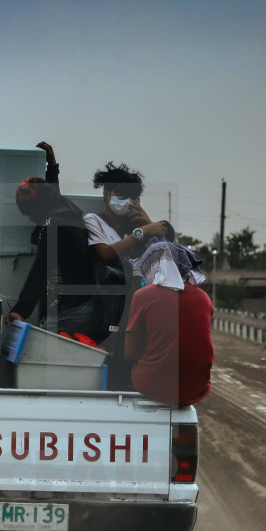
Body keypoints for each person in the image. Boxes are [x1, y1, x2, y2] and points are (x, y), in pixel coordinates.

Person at [81, 162, 173, 388]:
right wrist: (142, 233)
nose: (126, 202)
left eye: (131, 197)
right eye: (120, 195)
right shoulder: (94, 221)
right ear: (106, 194)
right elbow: (105, 254)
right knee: (110, 371)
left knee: (130, 372)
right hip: (105, 316)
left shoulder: (136, 232)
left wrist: (148, 225)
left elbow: (164, 266)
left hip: (134, 316)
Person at [5, 142, 105, 341]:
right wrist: (52, 166)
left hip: (73, 312)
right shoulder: (62, 212)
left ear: (40, 208)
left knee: (49, 358)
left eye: (31, 213)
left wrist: (20, 310)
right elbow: (51, 193)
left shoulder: (57, 227)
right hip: (81, 306)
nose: (31, 219)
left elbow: (40, 270)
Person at [124, 241, 213, 406]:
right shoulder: (204, 298)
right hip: (197, 387)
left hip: (152, 386)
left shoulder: (142, 295)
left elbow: (130, 352)